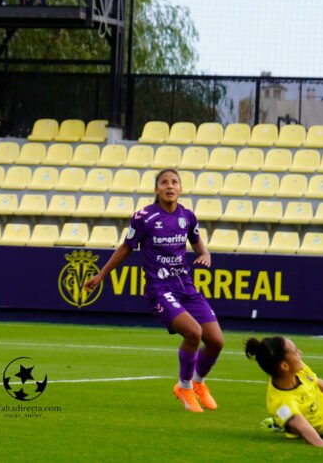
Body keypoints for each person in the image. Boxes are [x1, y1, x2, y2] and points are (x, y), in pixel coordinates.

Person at [83, 168, 224, 412]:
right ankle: (184, 386)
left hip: (185, 287)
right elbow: (126, 248)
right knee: (194, 333)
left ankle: (199, 384)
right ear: (156, 189)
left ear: (181, 188)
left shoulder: (188, 216)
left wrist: (206, 254)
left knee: (216, 341)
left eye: (174, 182)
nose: (170, 186)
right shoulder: (143, 217)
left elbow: (198, 244)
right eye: (164, 182)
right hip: (159, 288)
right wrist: (101, 274)